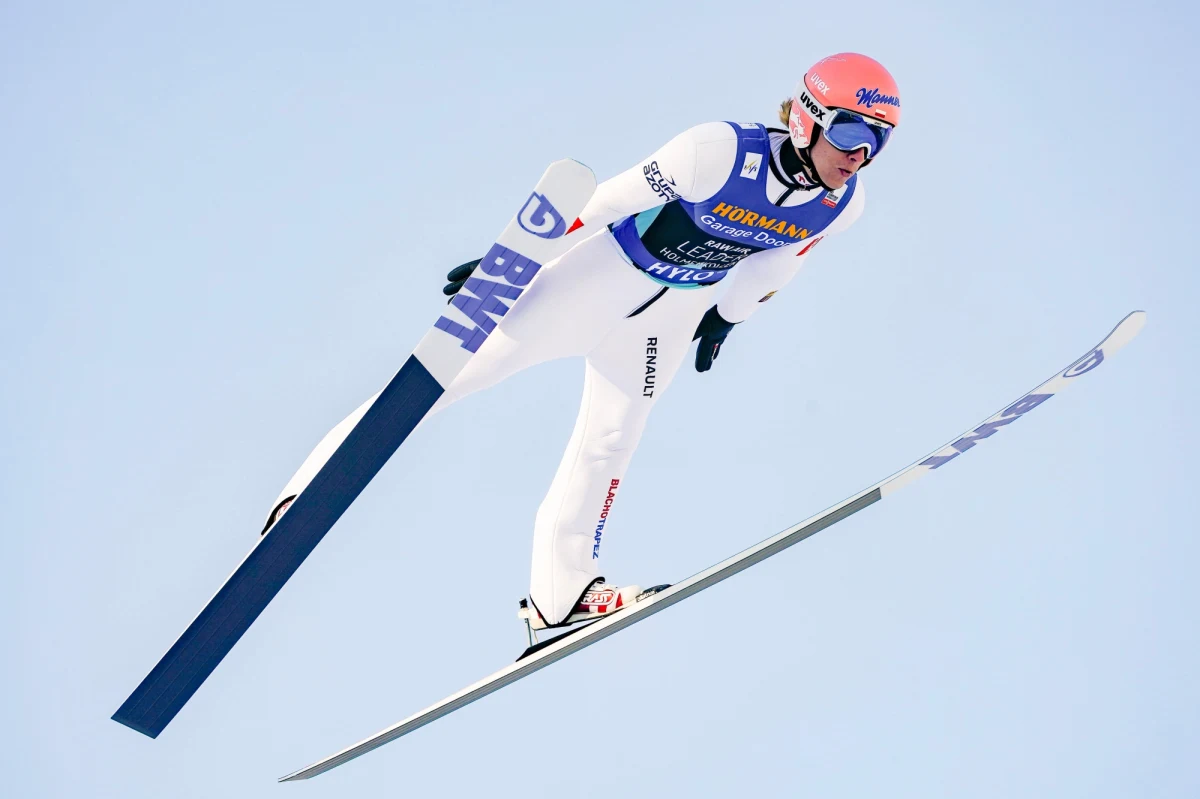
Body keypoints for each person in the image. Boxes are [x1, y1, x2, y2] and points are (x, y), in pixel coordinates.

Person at [264, 53, 902, 631]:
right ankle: (307, 490)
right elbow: (600, 205)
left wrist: (729, 317)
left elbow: (779, 261)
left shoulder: (843, 203)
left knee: (610, 440)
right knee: (458, 372)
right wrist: (510, 262)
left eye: (879, 141)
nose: (861, 153)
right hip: (601, 278)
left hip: (669, 317)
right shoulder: (715, 152)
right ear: (808, 120)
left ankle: (559, 596)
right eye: (851, 132)